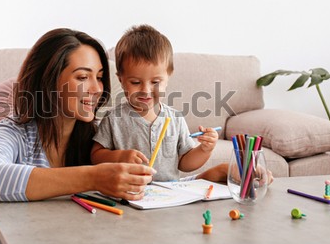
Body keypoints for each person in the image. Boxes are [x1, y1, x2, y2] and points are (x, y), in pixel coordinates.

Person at [0, 28, 156, 203]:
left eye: (99, 78)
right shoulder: (16, 132)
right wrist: (94, 177)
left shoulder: (101, 139)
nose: (97, 89)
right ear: (49, 81)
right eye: (83, 77)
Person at [91, 25, 232, 182]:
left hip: (169, 193)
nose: (146, 90)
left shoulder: (175, 119)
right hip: (128, 190)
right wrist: (119, 156)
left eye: (155, 82)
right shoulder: (113, 118)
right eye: (136, 82)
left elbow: (185, 164)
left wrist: (205, 150)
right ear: (121, 80)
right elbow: (96, 156)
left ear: (168, 78)